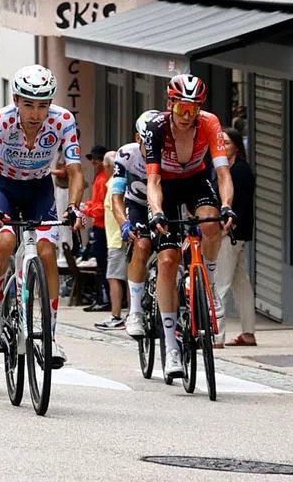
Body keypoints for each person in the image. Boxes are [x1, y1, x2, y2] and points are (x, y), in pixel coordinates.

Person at [0, 64, 87, 368]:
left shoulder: (63, 120)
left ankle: (50, 335)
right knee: (4, 240)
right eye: (29, 104)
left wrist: (75, 206)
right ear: (16, 100)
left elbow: (75, 170)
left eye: (43, 105)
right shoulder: (0, 120)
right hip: (6, 188)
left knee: (47, 251)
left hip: (40, 189)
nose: (36, 113)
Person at [143, 74, 236, 379]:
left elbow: (222, 173)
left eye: (193, 109)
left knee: (212, 224)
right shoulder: (156, 128)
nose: (187, 116)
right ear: (170, 104)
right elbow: (153, 180)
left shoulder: (209, 123)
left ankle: (207, 282)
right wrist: (156, 212)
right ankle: (171, 347)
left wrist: (226, 207)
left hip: (195, 180)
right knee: (169, 261)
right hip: (166, 187)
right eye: (181, 108)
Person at [214, 127, 258, 347]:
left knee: (219, 284)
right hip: (233, 234)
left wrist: (223, 231)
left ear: (237, 147)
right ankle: (248, 333)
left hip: (230, 234)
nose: (222, 146)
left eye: (227, 143)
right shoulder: (226, 169)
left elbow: (239, 206)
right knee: (241, 284)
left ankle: (216, 336)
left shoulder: (240, 170)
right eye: (220, 143)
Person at [118, 110, 160, 338]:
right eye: (148, 144)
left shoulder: (170, 153)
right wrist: (124, 223)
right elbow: (116, 196)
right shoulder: (127, 155)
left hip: (162, 205)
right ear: (138, 139)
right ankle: (134, 311)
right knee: (142, 246)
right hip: (137, 206)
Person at [95, 151, 128, 330]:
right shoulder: (114, 183)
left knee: (114, 277)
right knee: (129, 277)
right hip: (119, 237)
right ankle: (132, 315)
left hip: (117, 239)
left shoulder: (115, 183)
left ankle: (117, 316)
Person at [83, 145, 110, 312]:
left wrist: (86, 209)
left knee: (104, 265)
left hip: (103, 226)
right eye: (92, 158)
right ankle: (102, 298)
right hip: (101, 225)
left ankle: (105, 299)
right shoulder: (100, 177)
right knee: (102, 265)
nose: (94, 161)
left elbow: (102, 207)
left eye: (97, 159)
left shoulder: (104, 178)